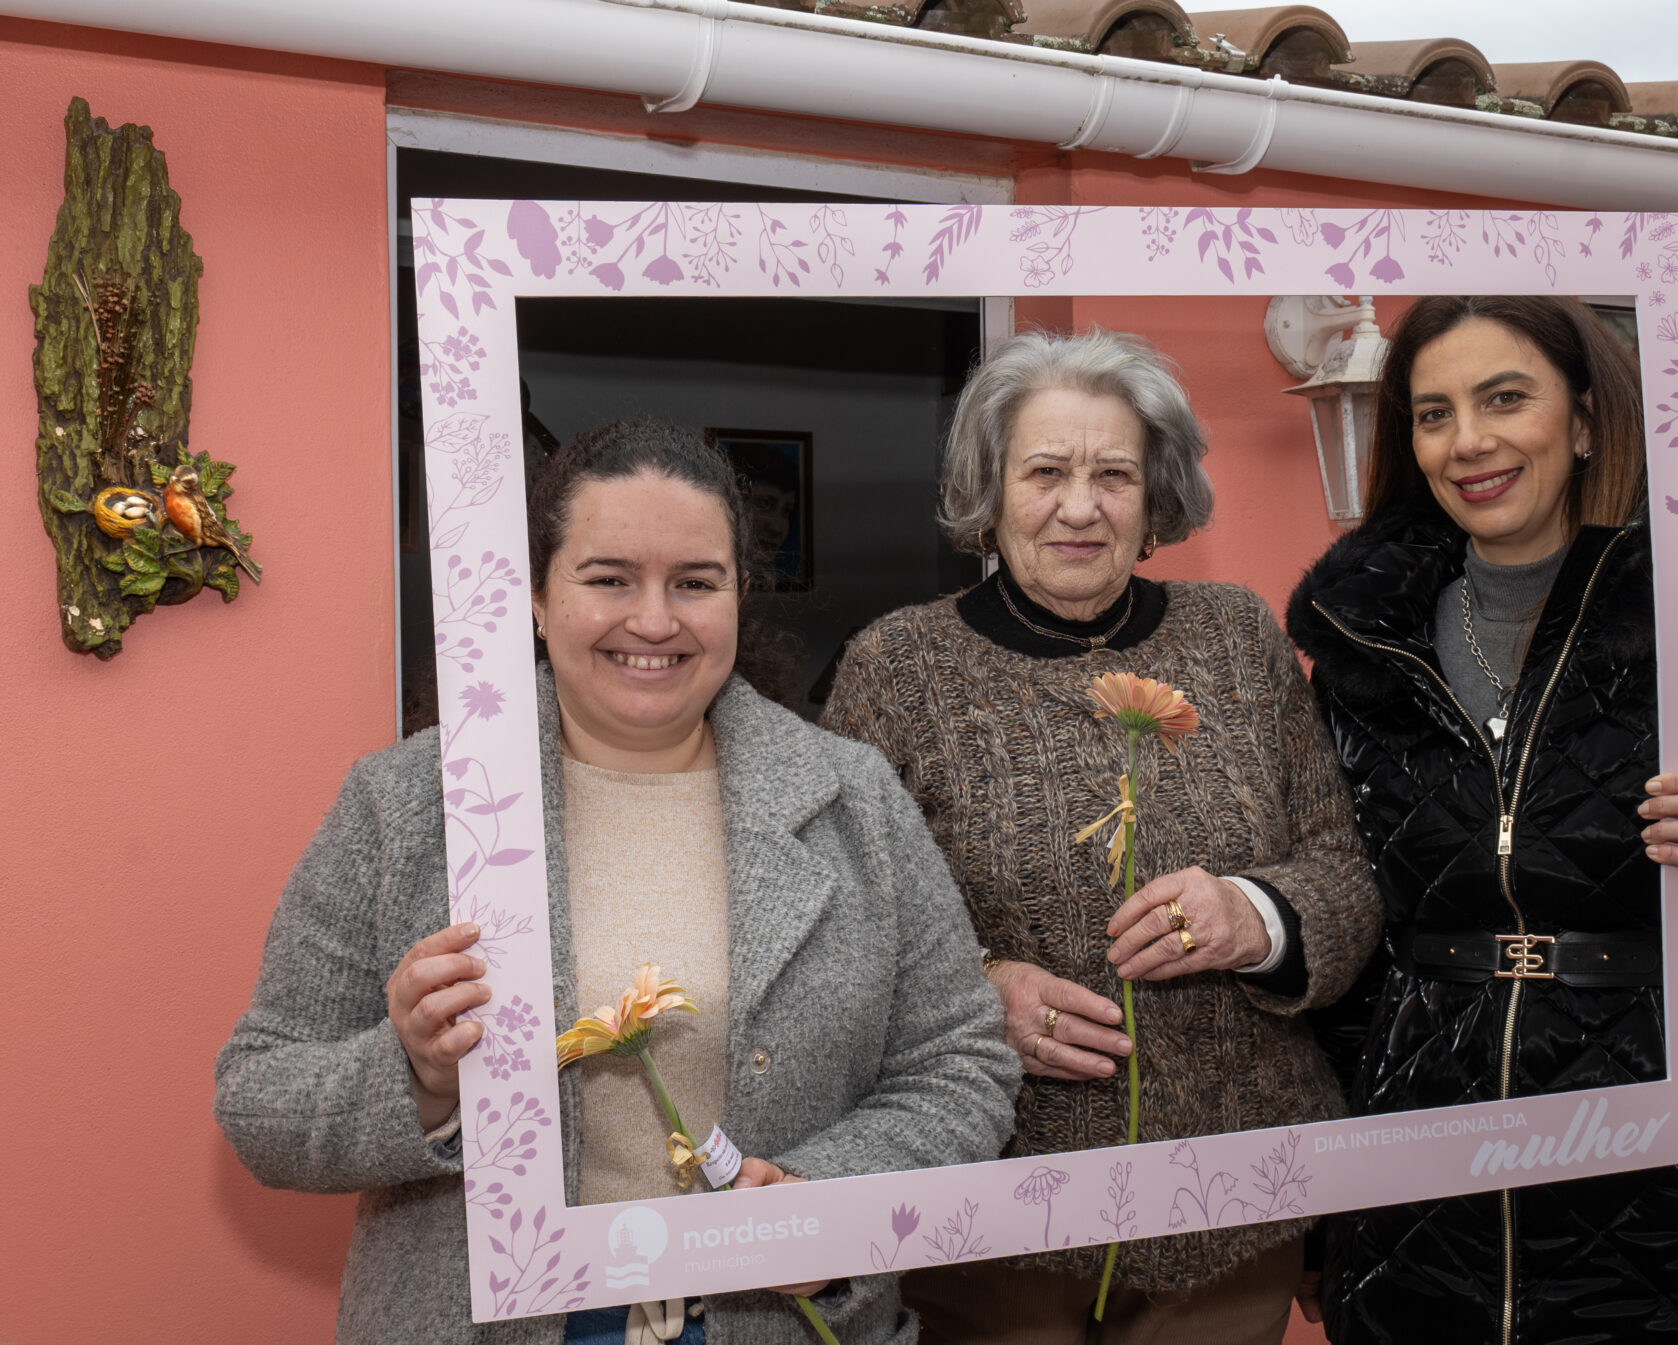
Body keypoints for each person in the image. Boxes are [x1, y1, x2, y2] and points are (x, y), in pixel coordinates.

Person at [215, 418, 1021, 1345]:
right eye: (608, 579)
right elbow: (260, 1097)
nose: (654, 620)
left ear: (740, 596)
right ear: (536, 597)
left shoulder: (856, 800)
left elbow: (961, 1063)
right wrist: (420, 1078)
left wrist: (824, 1196)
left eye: (696, 582)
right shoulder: (405, 805)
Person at [1285, 296, 1678, 1344]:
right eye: (1433, 413)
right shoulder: (1361, 649)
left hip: (1671, 1198)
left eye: (1503, 399)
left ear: (1582, 421)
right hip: (1420, 1205)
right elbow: (1350, 937)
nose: (1467, 440)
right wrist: (1323, 1207)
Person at [822, 329, 1382, 1343]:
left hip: (1231, 1208)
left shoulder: (1238, 636)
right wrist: (973, 995)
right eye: (1045, 472)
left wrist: (1254, 915)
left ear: (1154, 494)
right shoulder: (897, 669)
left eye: (1113, 474)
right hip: (993, 1219)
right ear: (990, 491)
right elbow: (836, 927)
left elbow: (1344, 874)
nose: (1080, 507)